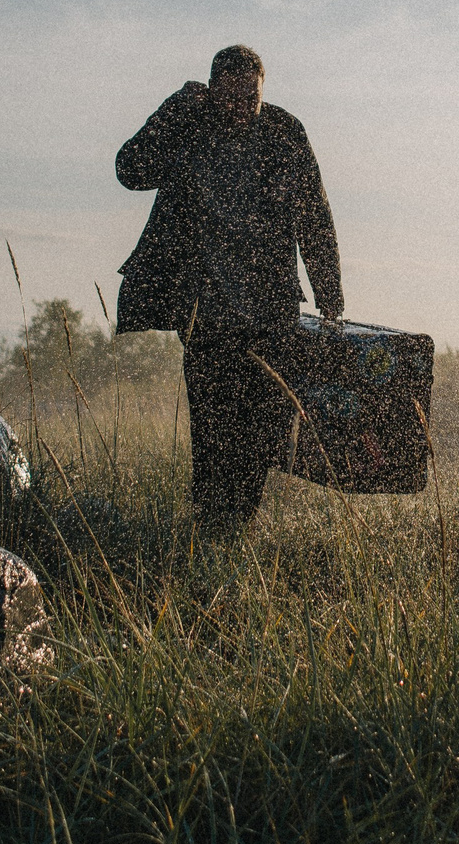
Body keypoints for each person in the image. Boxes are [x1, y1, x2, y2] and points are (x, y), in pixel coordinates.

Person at [114, 44, 344, 525]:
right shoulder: (189, 128)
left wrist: (330, 297)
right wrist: (174, 107)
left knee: (261, 427)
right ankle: (213, 522)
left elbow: (314, 216)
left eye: (251, 97)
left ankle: (237, 522)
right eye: (232, 96)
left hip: (271, 311)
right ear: (212, 91)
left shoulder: (285, 133)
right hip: (206, 311)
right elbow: (130, 170)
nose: (242, 107)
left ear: (264, 92)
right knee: (213, 426)